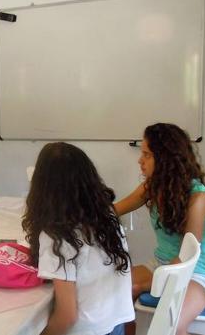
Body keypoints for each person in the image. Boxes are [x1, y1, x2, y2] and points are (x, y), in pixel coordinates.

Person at [115, 123, 205, 335]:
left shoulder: (198, 199)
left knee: (173, 325)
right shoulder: (153, 186)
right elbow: (114, 210)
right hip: (163, 263)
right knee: (112, 291)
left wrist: (145, 285)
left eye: (147, 155)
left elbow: (186, 259)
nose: (140, 161)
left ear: (166, 159)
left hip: (198, 271)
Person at [22, 142, 134, 335]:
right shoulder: (107, 216)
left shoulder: (57, 235)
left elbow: (67, 316)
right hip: (116, 325)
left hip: (86, 330)